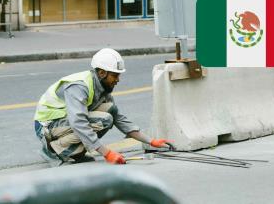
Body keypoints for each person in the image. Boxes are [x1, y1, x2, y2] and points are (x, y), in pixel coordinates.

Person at [34, 48, 173, 164]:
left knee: (110, 110)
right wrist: (107, 154)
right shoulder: (79, 86)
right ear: (101, 73)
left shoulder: (101, 87)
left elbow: (119, 118)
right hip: (47, 126)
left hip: (63, 122)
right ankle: (54, 150)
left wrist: (151, 141)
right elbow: (78, 123)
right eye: (115, 75)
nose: (118, 80)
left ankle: (75, 153)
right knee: (103, 120)